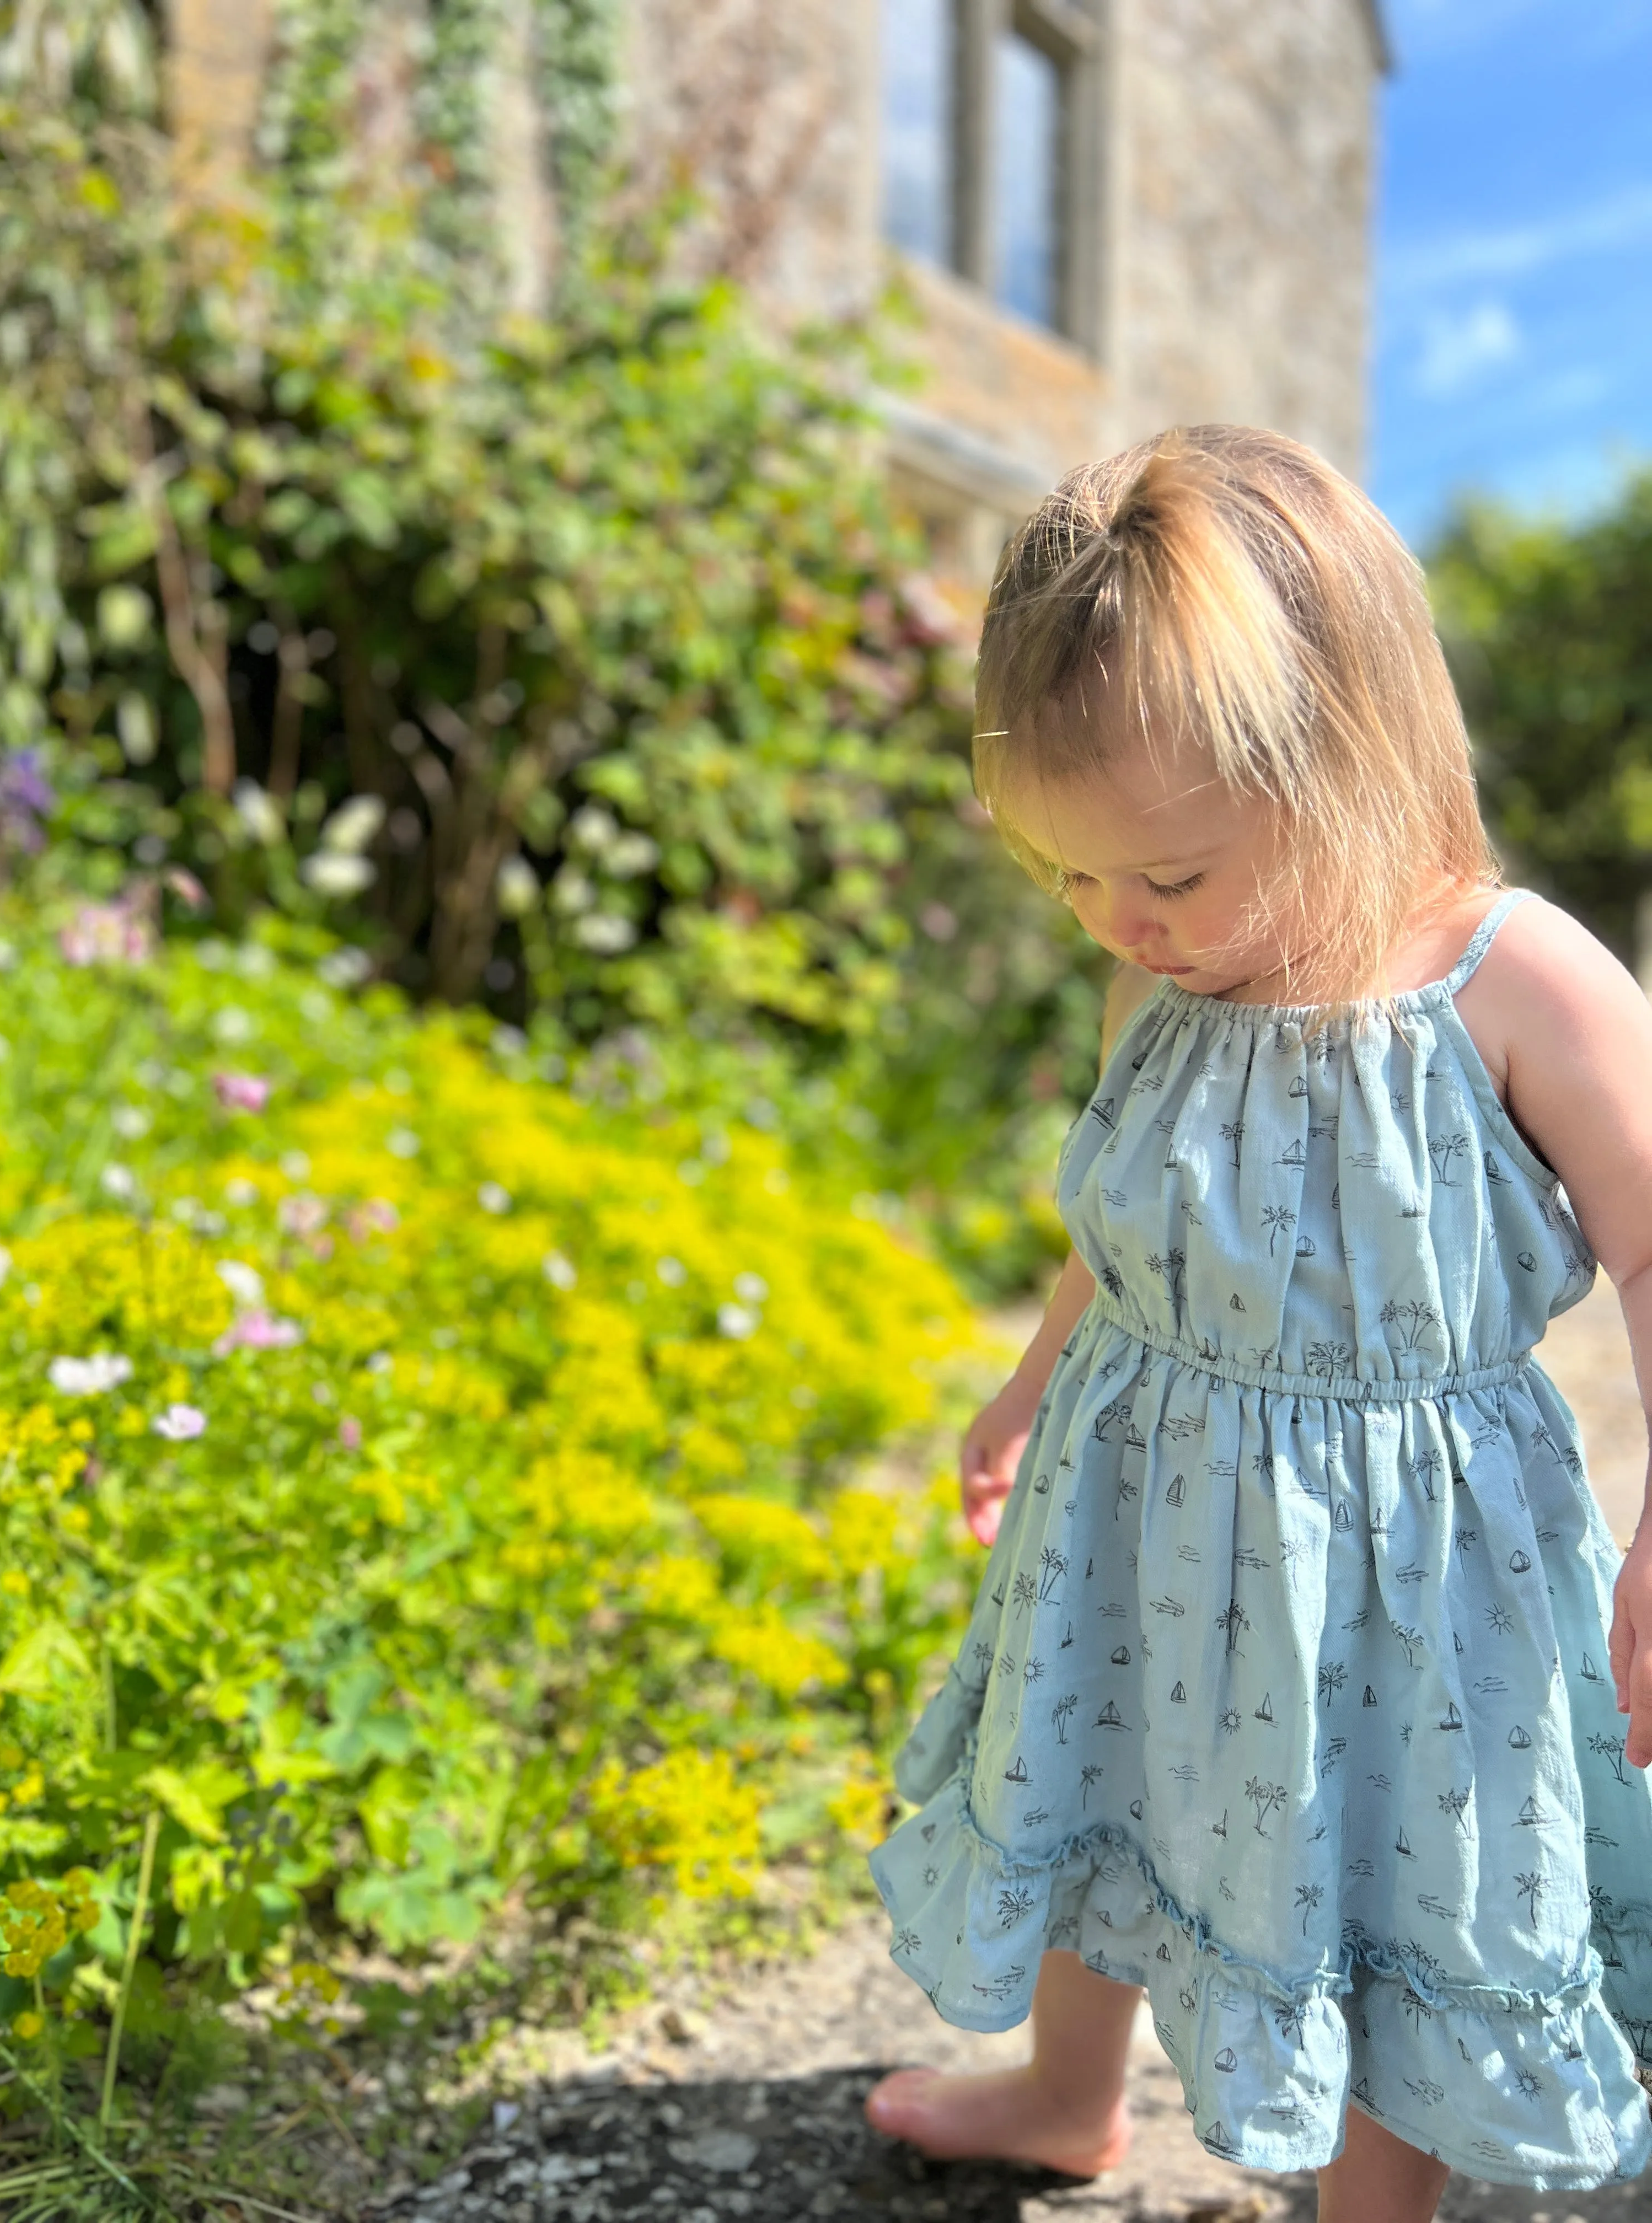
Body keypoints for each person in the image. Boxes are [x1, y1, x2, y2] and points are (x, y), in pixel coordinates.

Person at [862, 425, 1652, 2221]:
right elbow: (1140, 1215)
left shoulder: (1507, 976)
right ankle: (1072, 2097)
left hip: (1402, 1577)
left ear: (1349, 760)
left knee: (1390, 1884)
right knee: (1100, 1778)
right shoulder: (1181, 970)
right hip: (1140, 1506)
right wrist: (1026, 1377)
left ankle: (1374, 2210)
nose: (1122, 927)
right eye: (1071, 881)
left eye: (1167, 878)